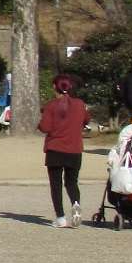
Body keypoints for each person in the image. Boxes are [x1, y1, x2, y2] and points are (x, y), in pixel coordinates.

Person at [37, 74, 91, 226]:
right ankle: (75, 205)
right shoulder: (79, 104)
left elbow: (45, 127)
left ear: (55, 86)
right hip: (74, 149)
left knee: (56, 184)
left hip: (55, 148)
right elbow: (86, 119)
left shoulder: (51, 105)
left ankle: (60, 217)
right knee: (72, 182)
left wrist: (40, 124)